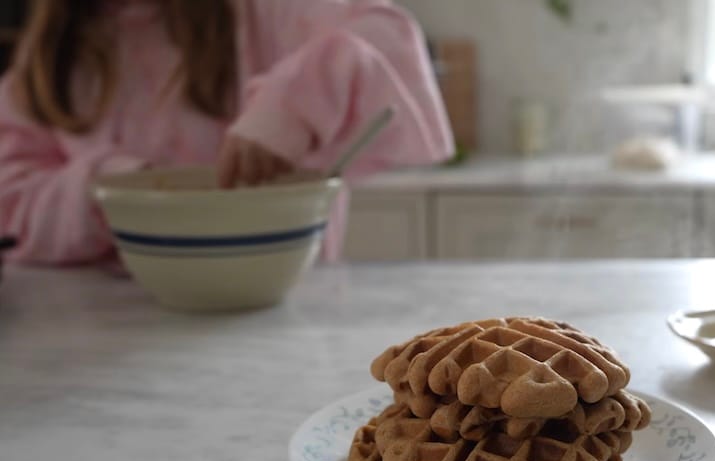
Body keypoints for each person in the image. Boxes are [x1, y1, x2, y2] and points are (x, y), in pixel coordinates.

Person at [0, 0, 454, 265]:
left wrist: (292, 105)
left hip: (279, 321)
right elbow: (10, 197)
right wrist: (105, 189)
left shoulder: (260, 12)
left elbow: (385, 33)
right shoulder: (48, 57)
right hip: (96, 335)